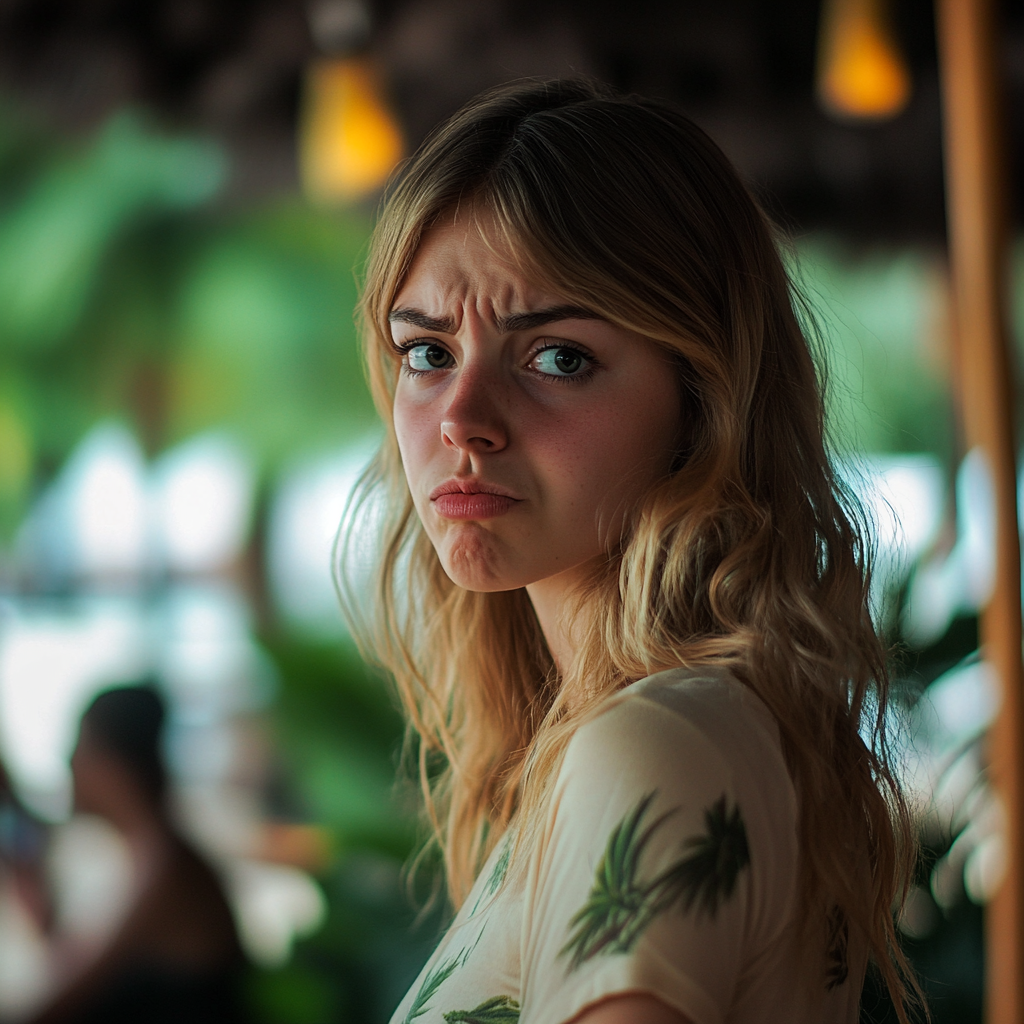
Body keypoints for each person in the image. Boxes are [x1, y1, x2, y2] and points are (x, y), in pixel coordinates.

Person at [340, 79, 920, 1024]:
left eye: (558, 357)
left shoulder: (651, 745)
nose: (462, 421)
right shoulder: (679, 733)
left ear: (705, 398)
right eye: (427, 353)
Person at [26, 685, 247, 1024]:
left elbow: (60, 999)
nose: (70, 761)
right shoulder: (154, 858)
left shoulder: (163, 871)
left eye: (82, 745)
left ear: (114, 765)